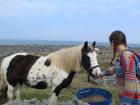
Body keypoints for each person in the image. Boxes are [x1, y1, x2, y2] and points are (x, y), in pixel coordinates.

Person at [98, 31, 140, 105]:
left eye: (110, 43)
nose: (110, 46)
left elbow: (131, 83)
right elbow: (116, 69)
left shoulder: (126, 55)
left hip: (134, 100)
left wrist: (125, 103)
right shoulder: (125, 55)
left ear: (113, 42)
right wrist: (102, 73)